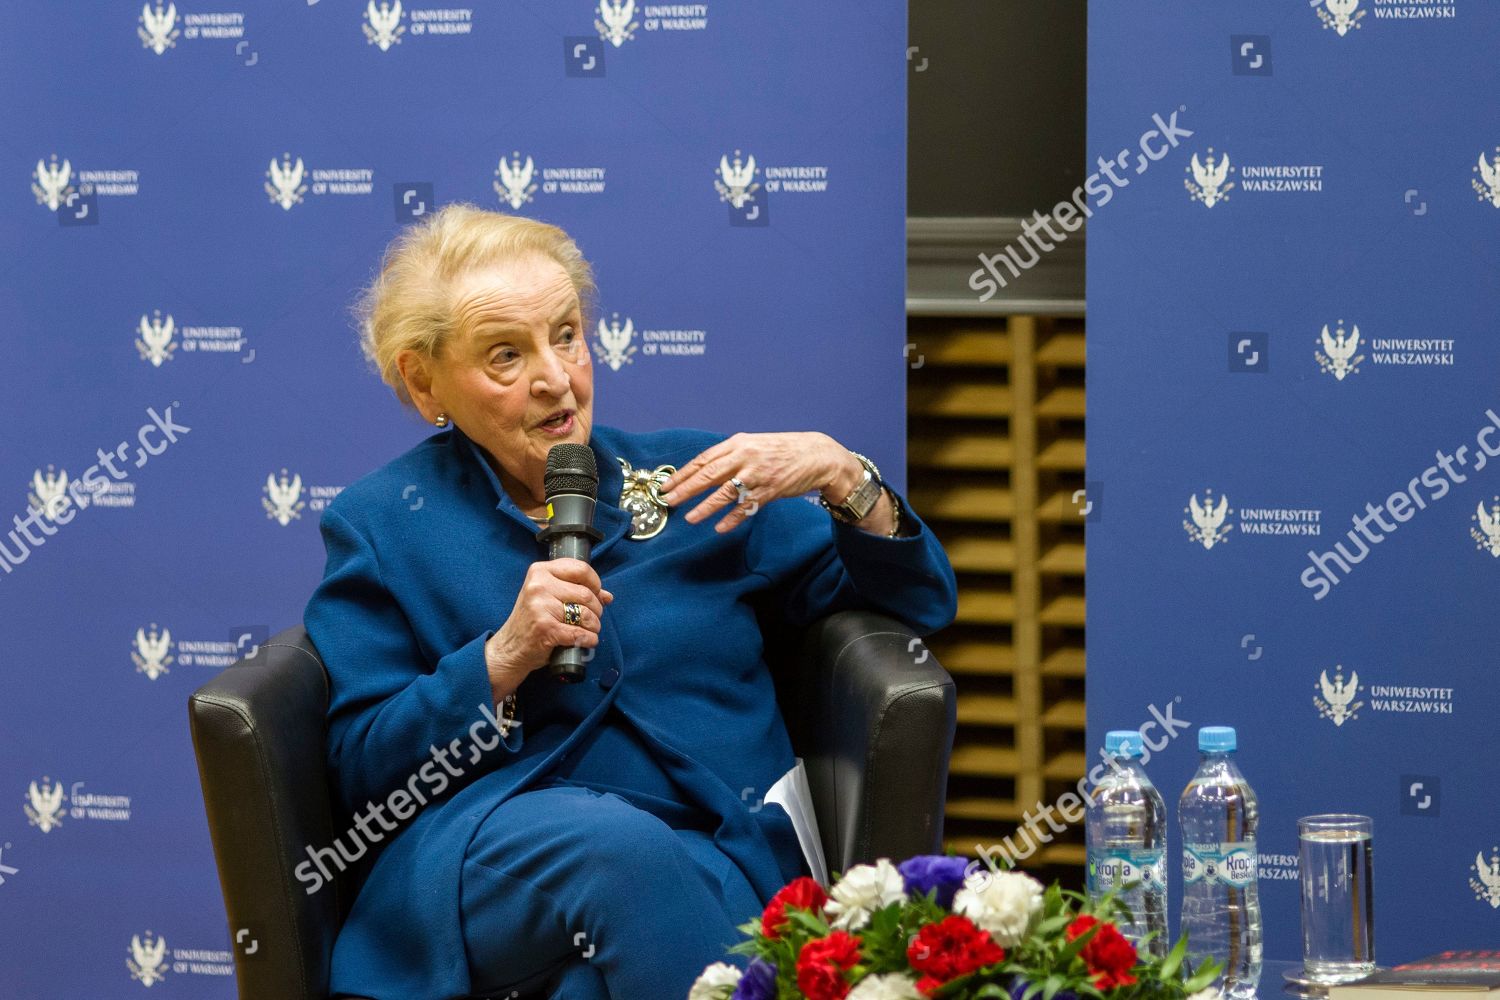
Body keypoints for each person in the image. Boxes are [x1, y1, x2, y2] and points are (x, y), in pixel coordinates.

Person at [303, 203, 958, 999]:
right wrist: (500, 660)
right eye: (505, 354)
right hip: (492, 854)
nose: (555, 377)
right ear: (422, 379)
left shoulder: (696, 482)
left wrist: (841, 476)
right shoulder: (384, 524)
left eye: (568, 333)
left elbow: (920, 603)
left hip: (717, 848)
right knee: (623, 853)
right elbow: (361, 769)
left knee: (596, 977)